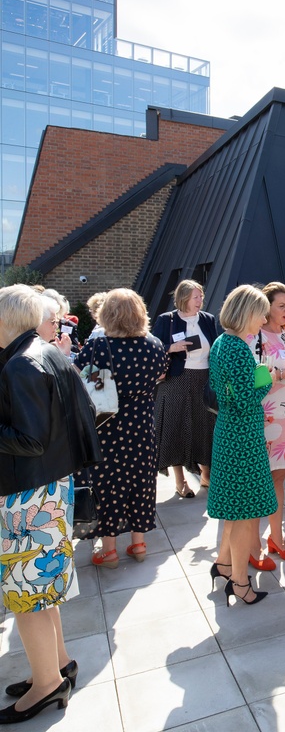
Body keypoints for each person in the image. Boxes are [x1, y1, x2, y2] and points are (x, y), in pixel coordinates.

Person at [0, 286, 101, 724]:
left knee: (28, 598)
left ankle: (47, 686)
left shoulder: (22, 364)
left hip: (28, 494)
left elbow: (29, 438)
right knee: (43, 591)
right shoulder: (47, 351)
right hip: (49, 487)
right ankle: (56, 666)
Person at [74, 289, 168, 568]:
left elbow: (81, 376)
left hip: (108, 423)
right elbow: (162, 373)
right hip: (141, 422)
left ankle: (109, 550)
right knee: (141, 481)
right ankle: (138, 544)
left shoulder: (98, 346)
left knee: (109, 485)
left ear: (107, 314)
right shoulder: (153, 344)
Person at [208, 285, 276, 606]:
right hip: (241, 437)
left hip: (233, 433)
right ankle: (239, 581)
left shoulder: (225, 342)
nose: (265, 318)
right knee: (242, 511)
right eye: (261, 311)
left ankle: (223, 564)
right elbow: (245, 400)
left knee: (237, 509)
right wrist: (266, 380)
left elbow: (227, 393)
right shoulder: (235, 347)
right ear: (247, 312)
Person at [247, 281, 285, 569]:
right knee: (258, 481)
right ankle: (251, 544)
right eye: (281, 305)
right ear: (266, 306)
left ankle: (276, 536)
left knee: (279, 478)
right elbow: (253, 379)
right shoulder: (254, 336)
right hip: (265, 415)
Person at [152, 279, 218, 497]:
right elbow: (153, 347)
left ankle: (206, 475)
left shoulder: (208, 319)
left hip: (204, 378)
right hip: (176, 379)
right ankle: (181, 482)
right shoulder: (167, 320)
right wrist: (172, 347)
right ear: (184, 298)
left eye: (201, 297)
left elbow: (215, 346)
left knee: (204, 425)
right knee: (176, 427)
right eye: (196, 297)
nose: (200, 300)